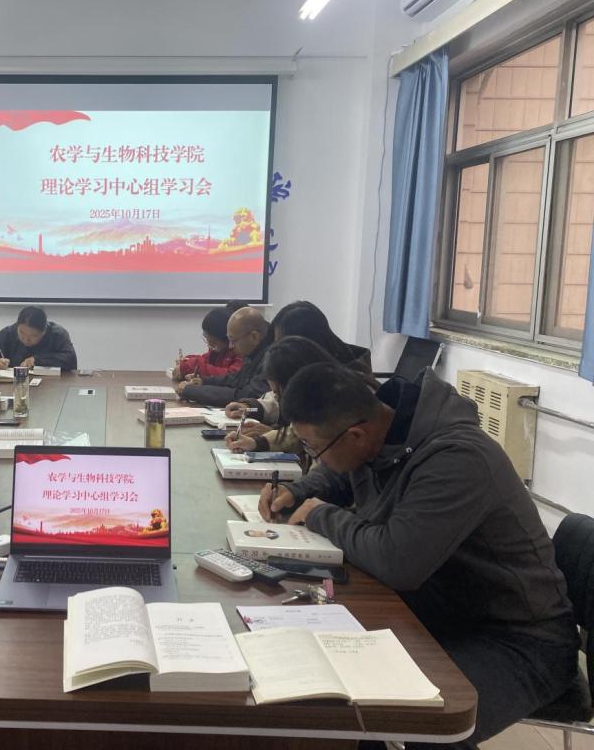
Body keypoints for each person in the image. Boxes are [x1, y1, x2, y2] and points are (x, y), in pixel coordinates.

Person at [261, 362, 579, 748]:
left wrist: (320, 514)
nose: (316, 456)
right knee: (323, 670)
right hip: (444, 608)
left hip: (519, 641)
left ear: (356, 435)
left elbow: (397, 562)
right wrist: (298, 491)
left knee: (402, 717)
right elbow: (340, 472)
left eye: (314, 448)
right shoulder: (383, 431)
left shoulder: (457, 459)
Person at [225, 337, 379, 457]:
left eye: (279, 394)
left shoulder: (342, 405)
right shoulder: (321, 392)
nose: (278, 399)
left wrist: (263, 440)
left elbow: (325, 469)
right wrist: (257, 441)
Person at [222, 300, 372, 420]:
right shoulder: (316, 370)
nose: (278, 350)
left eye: (283, 343)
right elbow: (282, 398)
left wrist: (270, 439)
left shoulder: (348, 387)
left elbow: (318, 430)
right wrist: (252, 407)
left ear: (306, 343)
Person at [176, 306, 270, 406]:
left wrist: (191, 391)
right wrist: (203, 381)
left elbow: (246, 396)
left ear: (254, 337)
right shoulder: (252, 350)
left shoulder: (271, 358)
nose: (230, 346)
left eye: (233, 340)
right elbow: (237, 379)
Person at [0, 306, 77, 371]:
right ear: (17, 325)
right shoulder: (8, 333)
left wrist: (38, 360)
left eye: (33, 336)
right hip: (13, 385)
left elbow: (70, 360)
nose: (26, 340)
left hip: (51, 385)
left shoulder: (57, 334)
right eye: (22, 333)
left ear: (44, 331)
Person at [171, 301, 244, 381]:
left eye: (213, 342)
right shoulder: (218, 349)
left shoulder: (241, 351)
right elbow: (205, 359)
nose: (209, 345)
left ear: (227, 339)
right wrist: (187, 360)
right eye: (206, 339)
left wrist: (194, 365)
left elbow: (231, 376)